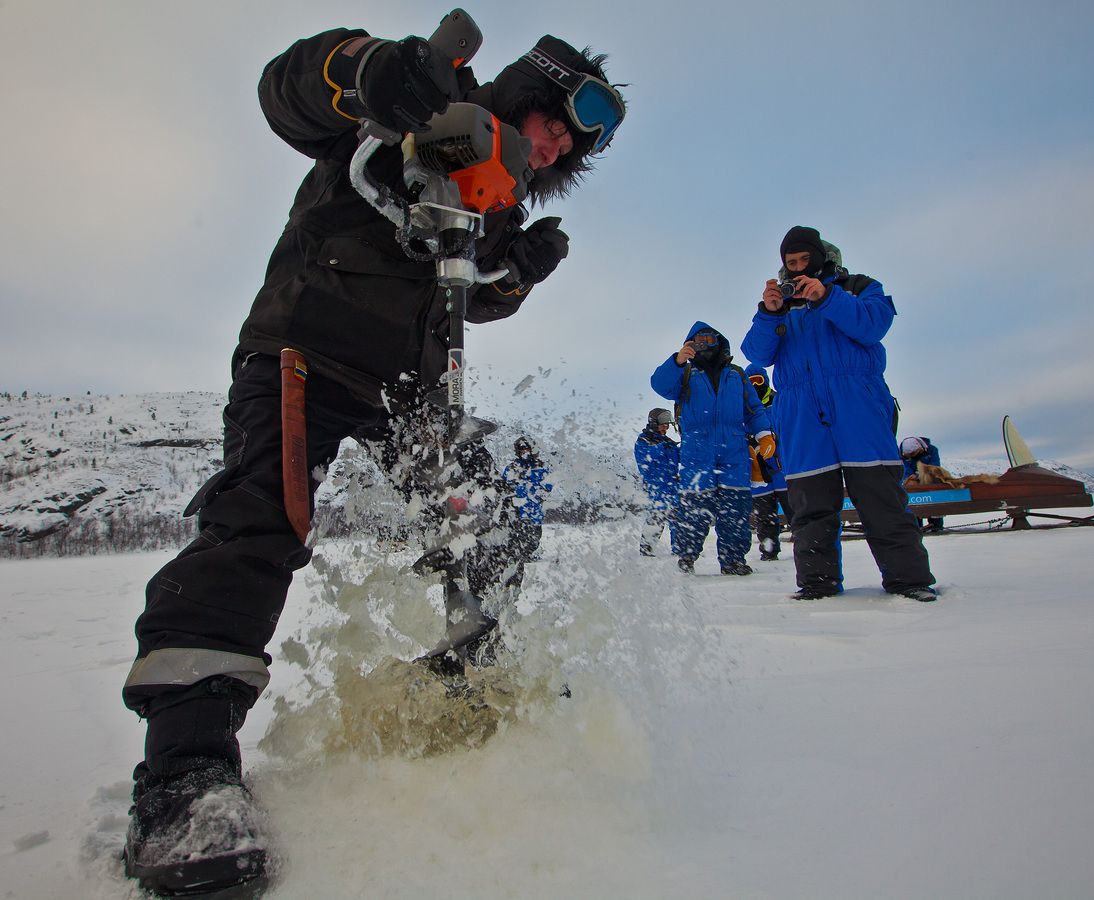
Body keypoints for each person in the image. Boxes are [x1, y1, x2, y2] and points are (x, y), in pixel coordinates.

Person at [120, 23, 625, 896]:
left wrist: (517, 276)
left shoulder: (494, 201)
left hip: (410, 394)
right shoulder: (409, 105)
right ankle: (185, 771)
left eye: (572, 149)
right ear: (525, 93)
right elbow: (288, 92)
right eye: (554, 124)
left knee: (489, 513)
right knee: (261, 518)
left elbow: (470, 295)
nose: (555, 146)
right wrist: (366, 72)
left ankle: (472, 675)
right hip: (304, 350)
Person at [741, 226, 936, 602]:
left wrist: (827, 297)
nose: (798, 267)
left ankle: (909, 580)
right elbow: (758, 354)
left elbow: (874, 325)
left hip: (858, 405)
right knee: (810, 507)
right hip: (801, 413)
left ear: (821, 258)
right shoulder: (782, 303)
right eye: (790, 262)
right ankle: (818, 583)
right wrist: (768, 312)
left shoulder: (859, 287)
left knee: (881, 499)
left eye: (804, 260)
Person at [651, 323, 774, 575]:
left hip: (735, 450)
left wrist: (764, 434)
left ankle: (733, 560)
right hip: (697, 451)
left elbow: (753, 408)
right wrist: (676, 360)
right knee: (695, 510)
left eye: (709, 339)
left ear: (720, 342)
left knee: (736, 509)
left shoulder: (736, 375)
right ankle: (686, 556)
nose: (704, 344)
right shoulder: (684, 374)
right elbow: (659, 385)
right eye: (697, 340)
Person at [745, 365, 794, 560]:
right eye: (751, 382)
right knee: (765, 515)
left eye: (759, 380)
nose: (756, 385)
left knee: (796, 511)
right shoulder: (745, 411)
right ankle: (769, 551)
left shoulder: (780, 402)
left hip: (783, 470)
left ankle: (806, 546)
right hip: (760, 473)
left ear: (765, 381)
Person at [502, 436, 553, 584]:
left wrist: (539, 497)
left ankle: (526, 556)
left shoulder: (541, 467)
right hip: (516, 514)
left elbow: (548, 485)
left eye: (528, 449)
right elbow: (503, 487)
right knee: (515, 547)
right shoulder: (511, 468)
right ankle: (516, 569)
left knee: (533, 541)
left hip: (534, 513)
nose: (525, 452)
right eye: (522, 450)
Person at [634, 408, 680, 556]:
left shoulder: (668, 442)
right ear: (654, 423)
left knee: (677, 517)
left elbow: (681, 458)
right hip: (656, 485)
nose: (665, 428)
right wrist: (661, 448)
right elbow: (644, 458)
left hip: (673, 485)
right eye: (663, 425)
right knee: (657, 516)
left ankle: (679, 550)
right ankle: (646, 549)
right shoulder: (644, 441)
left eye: (667, 426)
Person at [900, 435, 944, 531]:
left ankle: (936, 525)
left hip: (929, 478)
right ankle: (916, 523)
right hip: (913, 480)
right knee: (911, 489)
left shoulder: (932, 450)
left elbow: (935, 466)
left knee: (933, 494)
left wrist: (919, 475)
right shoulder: (903, 454)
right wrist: (910, 475)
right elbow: (905, 467)